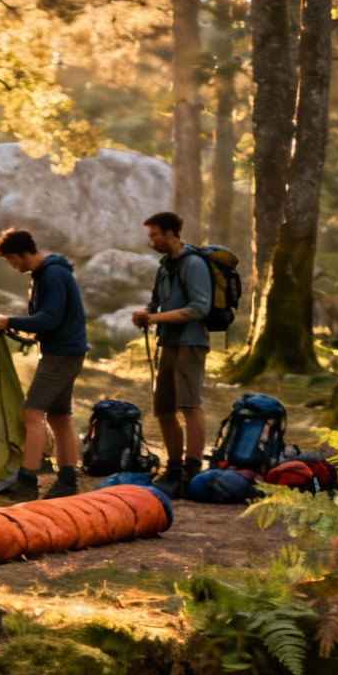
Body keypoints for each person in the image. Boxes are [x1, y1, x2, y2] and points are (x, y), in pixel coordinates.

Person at [0, 228, 88, 501]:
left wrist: (9, 321)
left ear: (23, 253)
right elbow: (48, 320)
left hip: (61, 355)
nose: (11, 265)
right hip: (66, 352)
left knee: (32, 413)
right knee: (59, 417)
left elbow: (49, 319)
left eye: (11, 259)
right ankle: (67, 480)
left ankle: (27, 482)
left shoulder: (53, 274)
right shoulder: (47, 274)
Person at [130, 211, 211, 497]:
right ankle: (174, 467)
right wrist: (146, 314)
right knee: (163, 408)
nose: (151, 241)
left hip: (190, 342)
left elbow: (200, 307)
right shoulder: (164, 267)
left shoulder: (194, 264)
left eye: (155, 235)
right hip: (168, 343)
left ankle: (192, 468)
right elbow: (155, 303)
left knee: (189, 406)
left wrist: (157, 319)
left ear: (171, 233)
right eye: (150, 235)